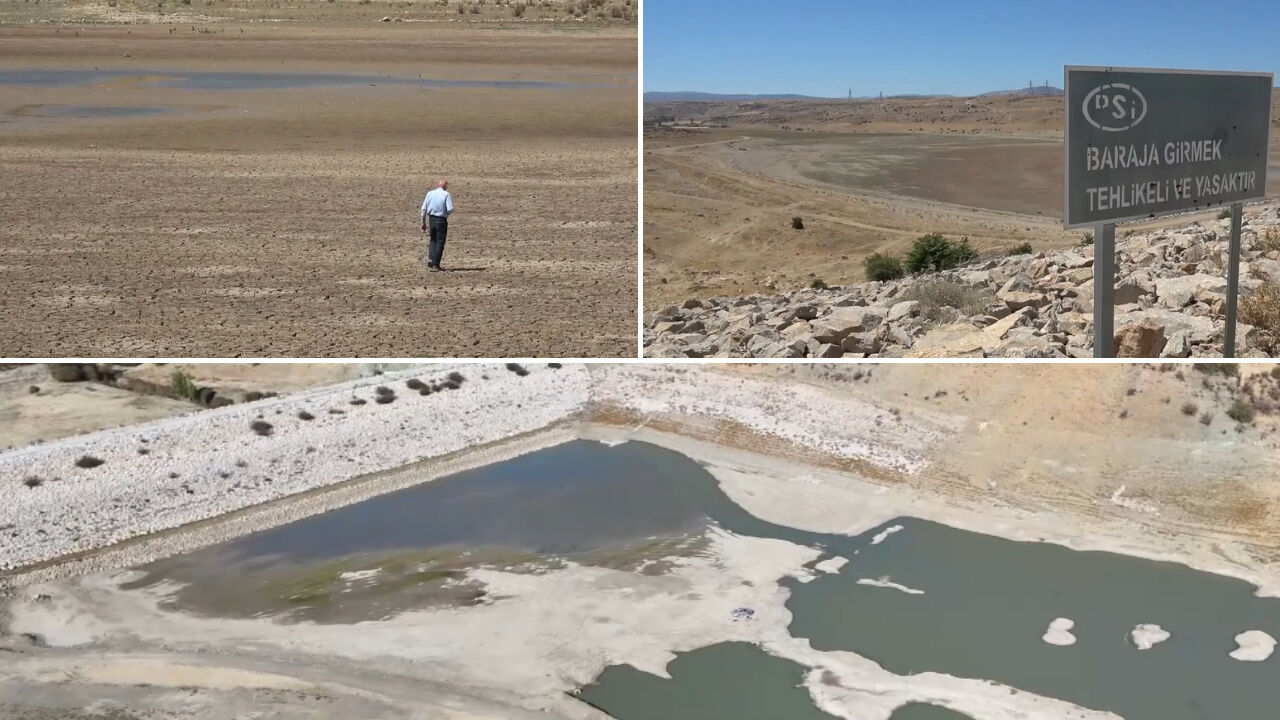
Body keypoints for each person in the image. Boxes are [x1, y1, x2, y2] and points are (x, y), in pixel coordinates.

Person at [419, 179, 454, 272]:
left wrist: (423, 222)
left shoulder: (430, 194)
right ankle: (436, 264)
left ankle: (431, 258)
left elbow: (423, 209)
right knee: (440, 241)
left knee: (433, 239)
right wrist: (444, 215)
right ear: (445, 186)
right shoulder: (446, 194)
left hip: (432, 219)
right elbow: (450, 209)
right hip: (441, 220)